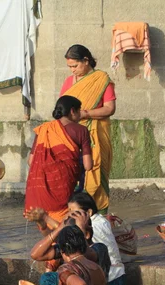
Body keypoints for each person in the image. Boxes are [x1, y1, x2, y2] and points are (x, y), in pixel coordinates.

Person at [60, 45, 117, 213]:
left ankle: (97, 219)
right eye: (69, 67)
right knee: (72, 178)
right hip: (72, 138)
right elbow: (62, 108)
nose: (72, 70)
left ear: (86, 60)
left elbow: (109, 109)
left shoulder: (101, 79)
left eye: (75, 66)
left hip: (95, 138)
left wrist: (84, 114)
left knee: (95, 177)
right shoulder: (69, 82)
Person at [25, 96, 93, 226]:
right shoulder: (81, 131)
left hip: (42, 187)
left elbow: (31, 161)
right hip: (65, 187)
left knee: (46, 227)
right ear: (73, 111)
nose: (80, 115)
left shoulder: (43, 129)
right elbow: (88, 165)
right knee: (66, 225)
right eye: (79, 111)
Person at [31, 210, 111, 285]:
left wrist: (81, 228)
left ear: (86, 234)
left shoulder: (100, 248)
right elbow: (35, 254)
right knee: (48, 277)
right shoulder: (68, 248)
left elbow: (83, 255)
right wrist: (59, 229)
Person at [68, 192, 126, 285]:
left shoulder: (96, 226)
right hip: (115, 279)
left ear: (89, 212)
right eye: (69, 211)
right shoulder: (100, 220)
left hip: (112, 283)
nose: (70, 215)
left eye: (74, 212)